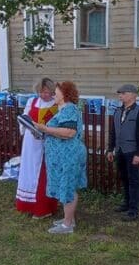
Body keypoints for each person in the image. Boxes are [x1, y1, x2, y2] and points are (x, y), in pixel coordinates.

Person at [34, 81, 87, 234]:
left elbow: (69, 132)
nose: (53, 95)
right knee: (67, 186)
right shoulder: (64, 109)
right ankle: (69, 219)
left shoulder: (69, 109)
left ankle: (67, 225)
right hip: (64, 156)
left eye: (56, 92)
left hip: (69, 156)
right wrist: (40, 131)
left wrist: (44, 128)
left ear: (64, 94)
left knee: (68, 188)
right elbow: (59, 130)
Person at [15, 77, 59, 219]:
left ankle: (43, 208)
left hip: (47, 142)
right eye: (41, 92)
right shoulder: (32, 101)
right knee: (29, 171)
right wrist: (25, 124)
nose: (43, 95)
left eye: (46, 92)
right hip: (30, 142)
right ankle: (27, 205)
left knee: (44, 173)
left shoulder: (57, 104)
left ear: (52, 91)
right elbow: (25, 117)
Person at [107, 83, 139, 220]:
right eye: (120, 93)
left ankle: (133, 209)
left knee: (133, 180)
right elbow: (113, 132)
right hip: (120, 150)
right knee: (124, 178)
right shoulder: (117, 111)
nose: (120, 96)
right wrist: (110, 149)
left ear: (133, 95)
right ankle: (126, 203)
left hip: (132, 151)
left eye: (123, 93)